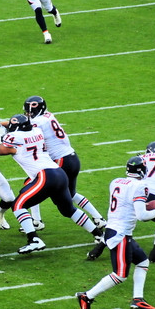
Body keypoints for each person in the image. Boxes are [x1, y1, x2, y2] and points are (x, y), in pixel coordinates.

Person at [0, 114, 103, 254]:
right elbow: (16, 142)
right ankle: (99, 234)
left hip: (45, 176)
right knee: (68, 210)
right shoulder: (37, 131)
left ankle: (34, 240)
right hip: (59, 173)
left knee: (18, 205)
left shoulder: (14, 138)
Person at [76, 156, 155, 309]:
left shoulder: (116, 182)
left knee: (143, 262)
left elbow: (126, 203)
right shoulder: (140, 186)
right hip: (120, 234)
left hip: (116, 230)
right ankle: (87, 296)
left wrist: (146, 206)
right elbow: (142, 216)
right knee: (120, 275)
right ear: (142, 170)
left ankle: (138, 299)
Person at [23, 96, 107, 232]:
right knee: (71, 193)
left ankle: (36, 221)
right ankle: (98, 218)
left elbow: (21, 129)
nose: (28, 114)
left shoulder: (37, 121)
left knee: (33, 186)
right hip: (72, 158)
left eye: (30, 112)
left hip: (60, 160)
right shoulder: (48, 115)